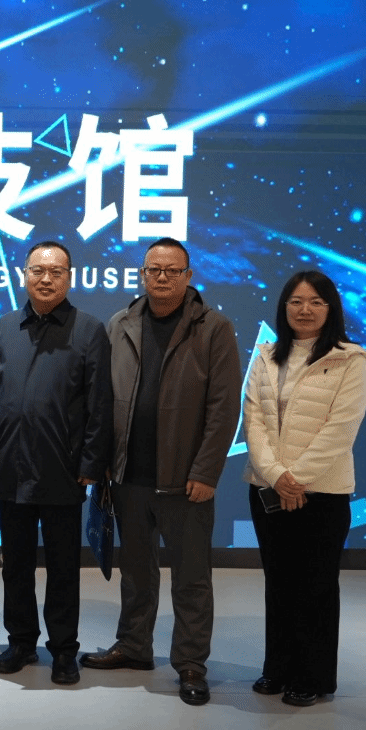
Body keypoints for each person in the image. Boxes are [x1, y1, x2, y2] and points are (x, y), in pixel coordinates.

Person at [80, 237, 240, 706]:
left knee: (191, 578)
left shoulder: (213, 328)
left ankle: (190, 663)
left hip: (185, 480)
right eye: (154, 269)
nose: (163, 277)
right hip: (128, 476)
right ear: (142, 275)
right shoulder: (120, 324)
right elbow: (103, 399)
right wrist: (103, 464)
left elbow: (223, 408)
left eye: (173, 270)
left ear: (189, 276)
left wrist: (206, 470)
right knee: (136, 572)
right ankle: (134, 646)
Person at [0, 241, 112, 685]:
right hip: (11, 467)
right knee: (15, 565)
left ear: (69, 278)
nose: (46, 278)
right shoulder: (3, 328)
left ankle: (63, 649)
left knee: (62, 568)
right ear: (23, 274)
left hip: (63, 468)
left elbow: (100, 403)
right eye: (37, 270)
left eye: (56, 272)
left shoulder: (89, 330)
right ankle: (20, 641)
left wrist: (92, 462)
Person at [243, 271, 366, 707]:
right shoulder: (265, 355)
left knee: (315, 586)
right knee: (278, 582)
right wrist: (277, 475)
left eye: (316, 302)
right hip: (267, 488)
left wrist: (297, 479)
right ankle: (277, 668)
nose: (305, 309)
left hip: (323, 493)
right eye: (296, 301)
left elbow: (341, 428)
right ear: (284, 307)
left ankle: (312, 677)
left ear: (330, 309)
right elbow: (253, 420)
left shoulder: (350, 359)